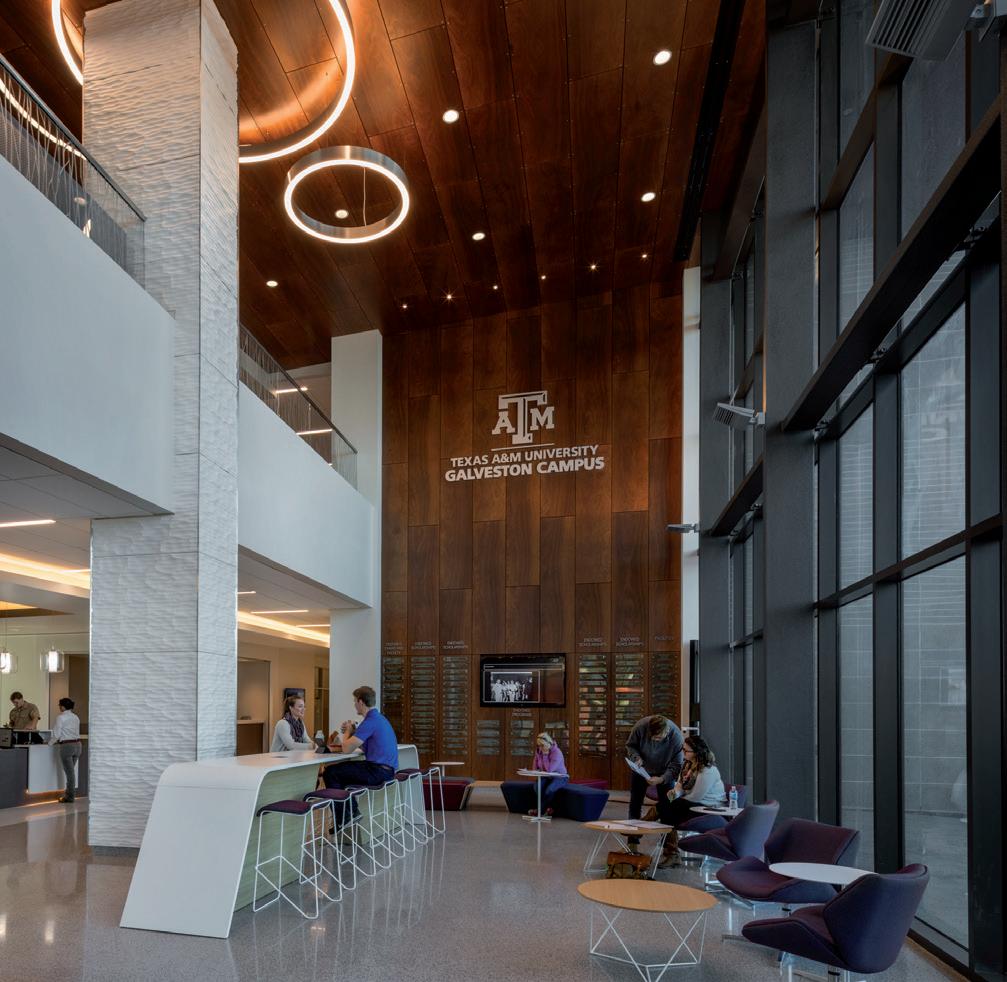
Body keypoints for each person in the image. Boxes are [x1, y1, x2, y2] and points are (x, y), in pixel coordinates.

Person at [657, 735, 725, 868]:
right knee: (667, 806)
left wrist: (674, 801)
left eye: (686, 750)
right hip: (692, 804)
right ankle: (672, 853)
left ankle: (671, 852)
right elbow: (680, 786)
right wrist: (674, 793)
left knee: (667, 808)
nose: (683, 753)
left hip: (708, 808)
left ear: (697, 752)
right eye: (683, 749)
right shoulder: (687, 765)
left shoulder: (707, 770)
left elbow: (696, 797)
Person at [322, 685, 398, 792]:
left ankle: (345, 803)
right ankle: (349, 803)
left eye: (355, 702)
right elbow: (362, 746)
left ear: (361, 702)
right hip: (387, 771)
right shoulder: (379, 718)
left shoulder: (370, 721)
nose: (354, 705)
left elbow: (346, 749)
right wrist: (353, 732)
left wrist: (348, 731)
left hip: (377, 771)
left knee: (331, 772)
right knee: (344, 773)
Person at [625, 714, 685, 827]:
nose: (656, 741)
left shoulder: (676, 737)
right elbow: (630, 746)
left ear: (667, 731)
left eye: (659, 738)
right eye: (654, 738)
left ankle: (667, 836)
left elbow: (677, 765)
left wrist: (662, 779)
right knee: (635, 801)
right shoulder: (640, 727)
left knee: (667, 803)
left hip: (665, 771)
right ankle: (633, 833)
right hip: (641, 769)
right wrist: (636, 757)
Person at [48, 697, 81, 803]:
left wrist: (49, 743)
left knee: (70, 773)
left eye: (59, 705)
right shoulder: (76, 717)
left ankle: (69, 797)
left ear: (62, 707)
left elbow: (57, 734)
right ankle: (69, 795)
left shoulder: (61, 717)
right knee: (71, 773)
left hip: (67, 746)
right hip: (78, 745)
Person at [527, 732, 568, 817]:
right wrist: (535, 770)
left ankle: (540, 812)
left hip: (560, 777)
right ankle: (548, 809)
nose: (540, 748)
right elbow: (535, 764)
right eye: (538, 745)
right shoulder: (539, 751)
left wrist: (545, 755)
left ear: (548, 743)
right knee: (537, 787)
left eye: (542, 745)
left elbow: (549, 769)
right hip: (546, 776)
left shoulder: (557, 752)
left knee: (549, 790)